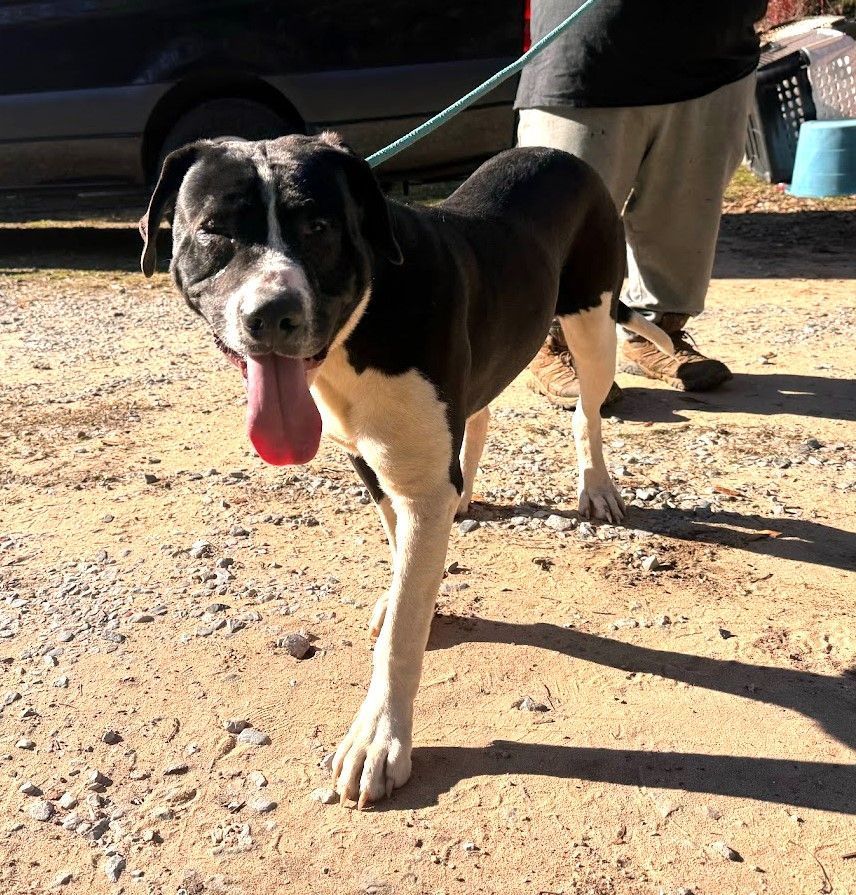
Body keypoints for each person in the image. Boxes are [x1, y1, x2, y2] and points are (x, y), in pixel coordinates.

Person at [517, 0, 769, 408]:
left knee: (685, 214)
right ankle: (550, 342)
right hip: (587, 56)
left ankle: (656, 332)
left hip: (715, 55)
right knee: (559, 218)